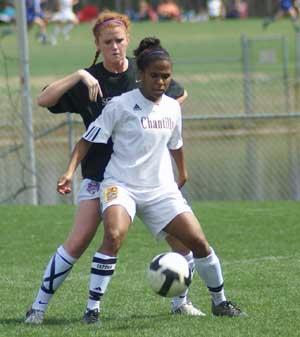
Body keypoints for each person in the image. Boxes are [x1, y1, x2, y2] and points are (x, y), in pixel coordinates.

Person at [25, 11, 201, 325]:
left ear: (128, 40)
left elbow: (179, 95)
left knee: (182, 241)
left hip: (146, 179)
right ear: (98, 44)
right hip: (101, 176)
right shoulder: (90, 80)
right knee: (78, 241)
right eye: (107, 42)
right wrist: (80, 74)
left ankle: (181, 302)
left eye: (119, 40)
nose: (115, 47)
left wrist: (149, 124)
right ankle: (38, 308)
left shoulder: (144, 71)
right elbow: (43, 99)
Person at [56, 36, 246, 324]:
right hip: (121, 185)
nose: (160, 81)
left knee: (199, 242)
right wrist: (69, 171)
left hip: (161, 190)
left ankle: (220, 302)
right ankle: (92, 310)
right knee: (114, 235)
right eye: (154, 75)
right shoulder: (119, 105)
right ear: (140, 76)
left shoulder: (172, 107)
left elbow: (176, 143)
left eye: (166, 76)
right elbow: (86, 141)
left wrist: (182, 171)